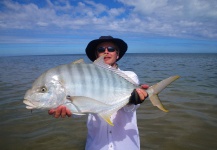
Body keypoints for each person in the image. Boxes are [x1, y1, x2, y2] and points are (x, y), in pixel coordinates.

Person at [48, 36, 148, 150]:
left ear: (117, 54)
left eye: (111, 48)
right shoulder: (85, 78)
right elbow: (81, 108)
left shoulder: (130, 76)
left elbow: (132, 108)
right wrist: (67, 108)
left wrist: (134, 100)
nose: (106, 51)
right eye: (101, 49)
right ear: (97, 55)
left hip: (126, 145)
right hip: (97, 145)